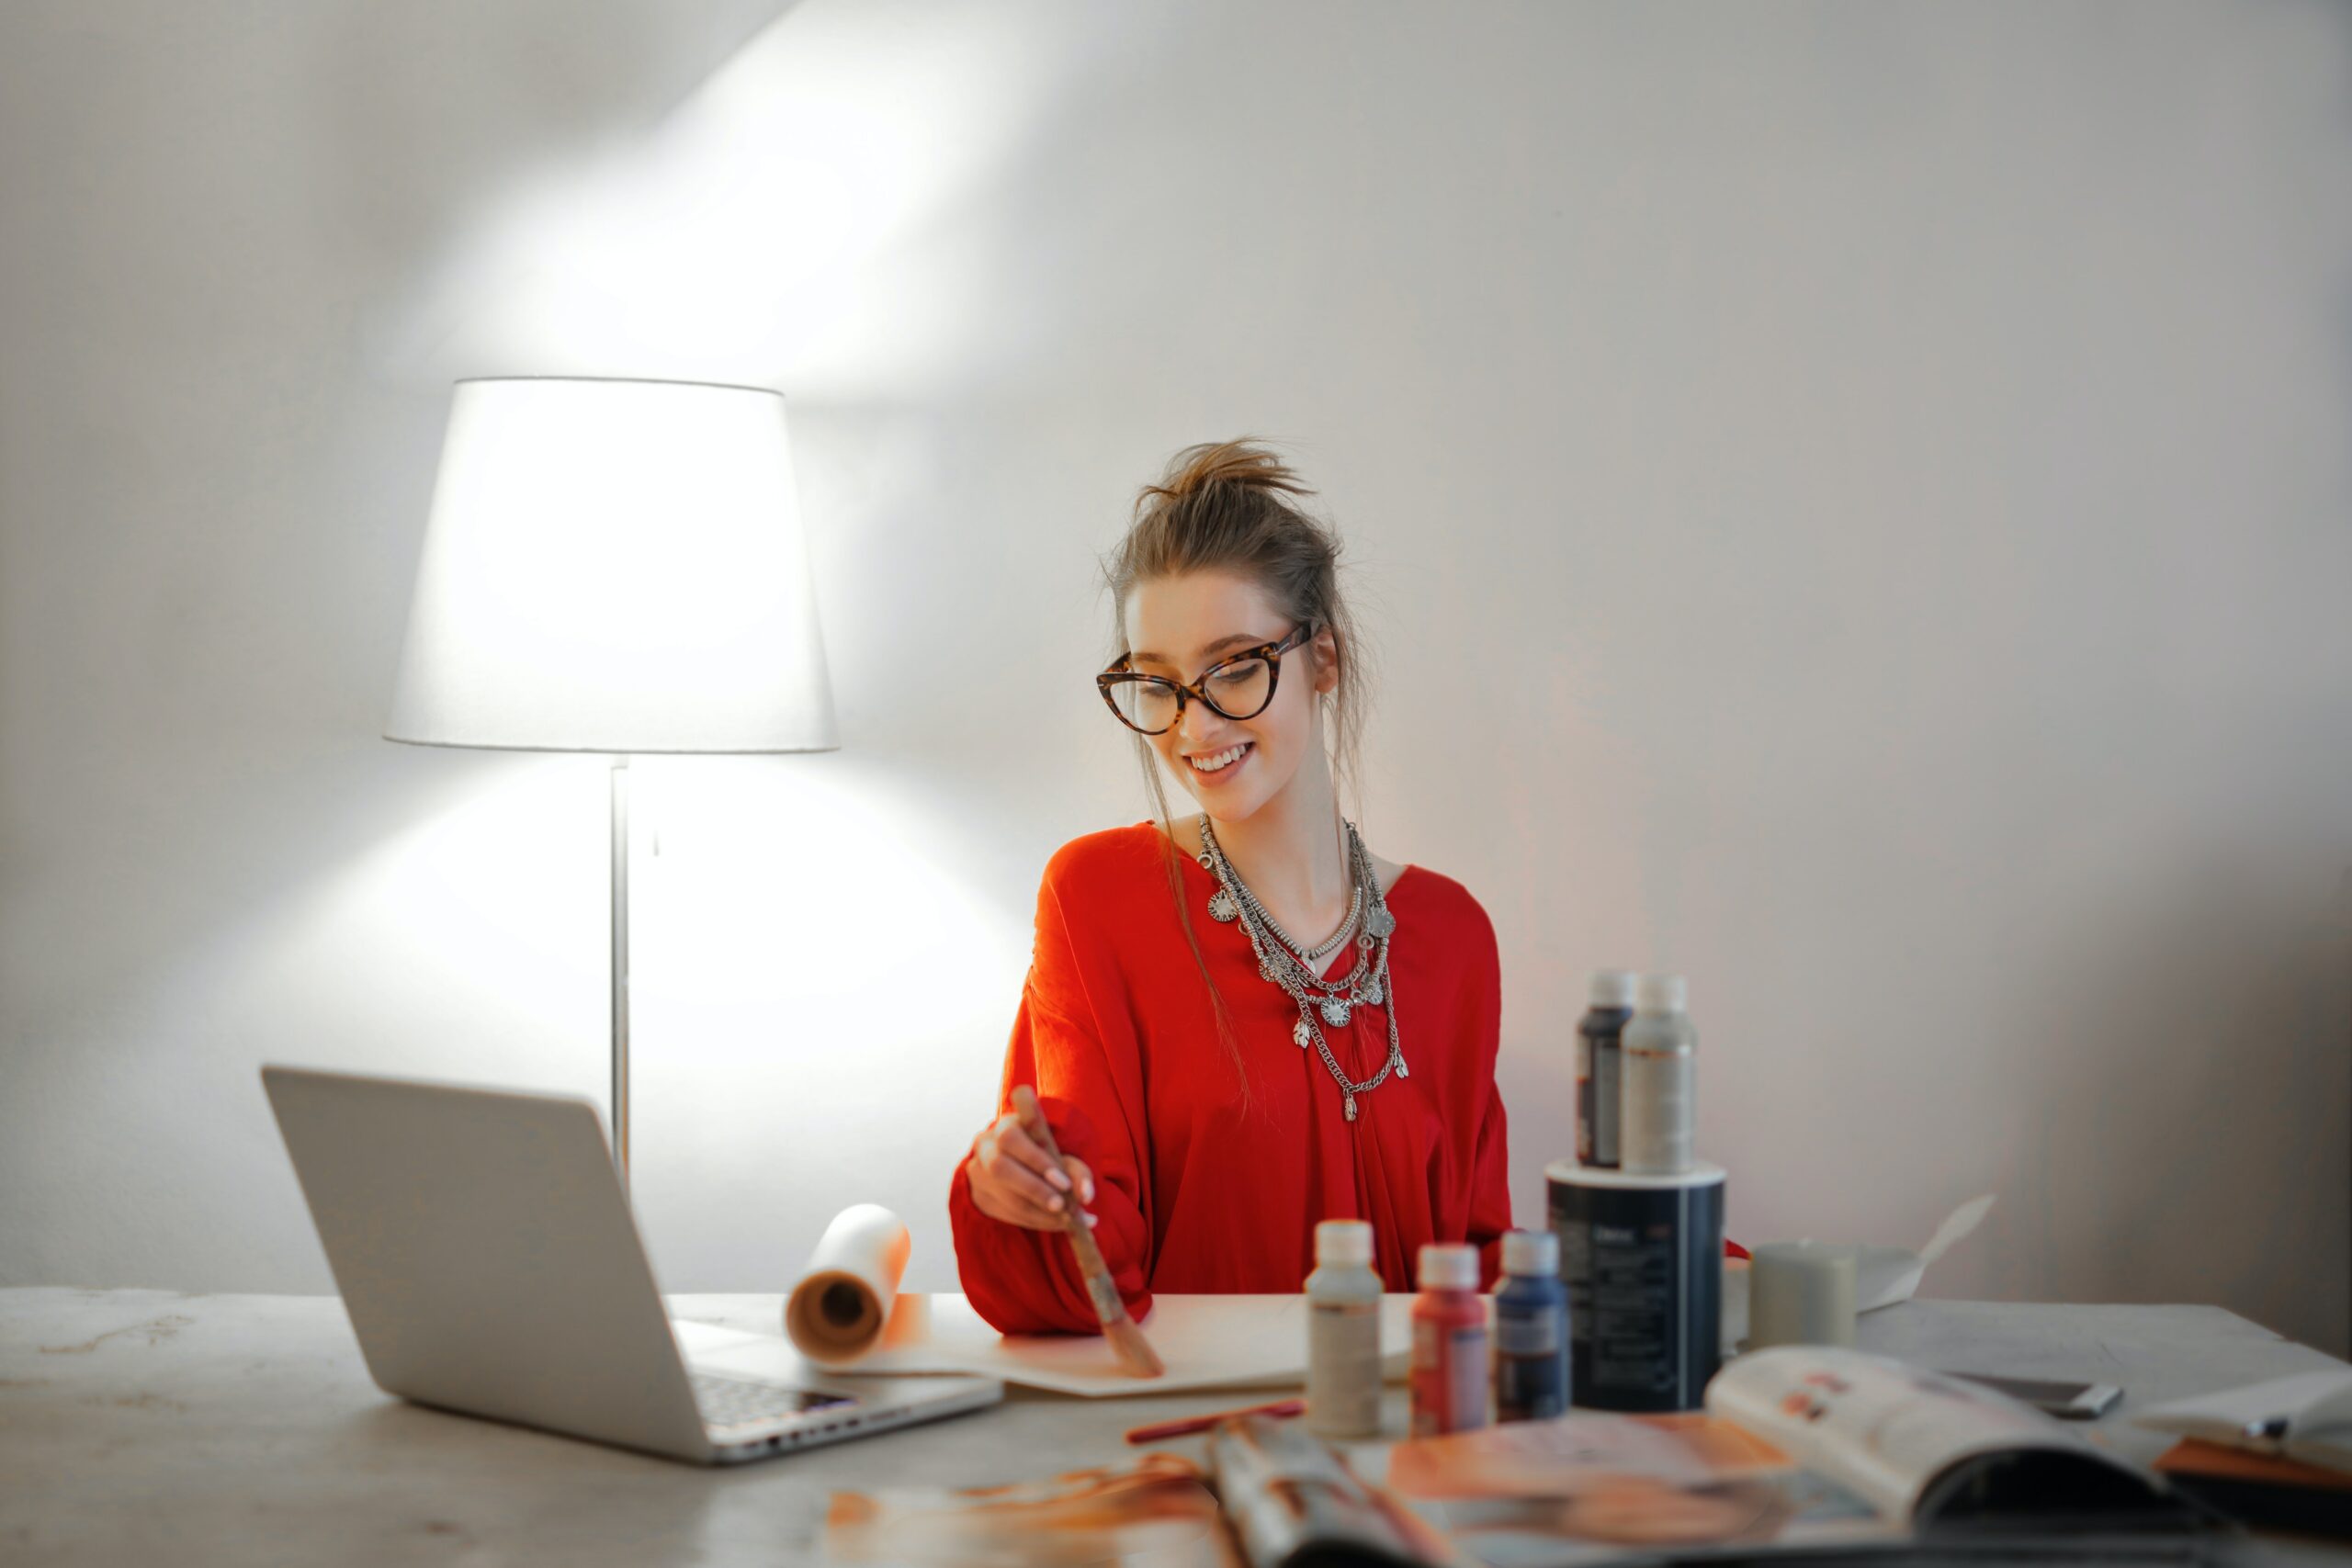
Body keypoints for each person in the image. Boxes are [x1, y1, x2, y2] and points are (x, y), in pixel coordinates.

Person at [948, 439, 1512, 1335]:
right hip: (1195, 1407)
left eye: (1235, 667)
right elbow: (1088, 1260)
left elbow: (1476, 1261)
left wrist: (1669, 1259)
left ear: (1322, 658)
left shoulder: (1450, 934)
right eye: (1158, 683)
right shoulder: (1099, 899)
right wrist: (1023, 1194)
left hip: (1408, 1409)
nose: (1194, 726)